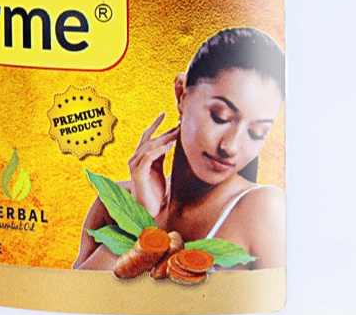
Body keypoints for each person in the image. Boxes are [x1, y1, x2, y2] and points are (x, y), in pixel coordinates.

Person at [75, 27, 285, 270]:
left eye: (257, 132)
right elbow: (74, 293)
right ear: (181, 93)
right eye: (220, 116)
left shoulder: (263, 210)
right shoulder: (115, 203)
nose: (230, 147)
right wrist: (141, 220)